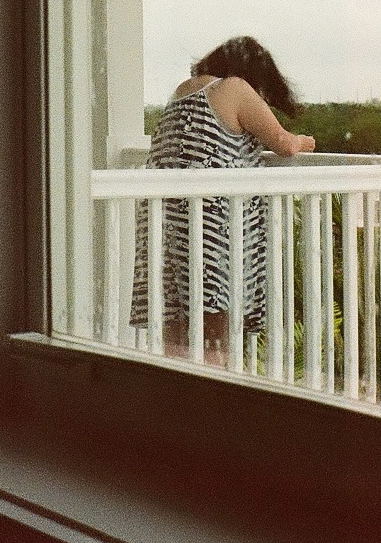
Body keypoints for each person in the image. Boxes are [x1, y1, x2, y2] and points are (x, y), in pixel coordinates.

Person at [130, 36, 315, 364]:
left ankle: (178, 403)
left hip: (167, 229)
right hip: (213, 229)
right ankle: (211, 404)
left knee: (178, 337)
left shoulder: (183, 91)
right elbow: (283, 144)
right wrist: (302, 141)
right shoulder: (234, 89)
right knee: (217, 336)